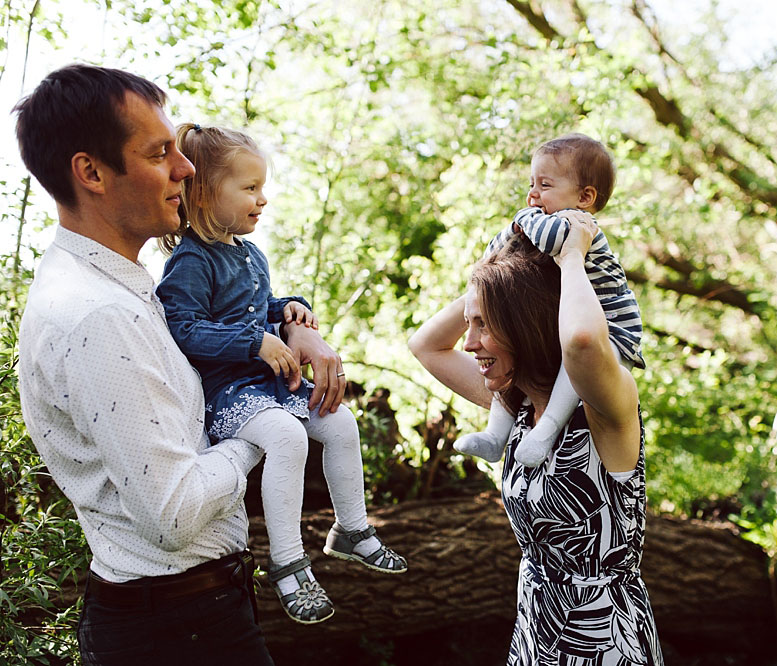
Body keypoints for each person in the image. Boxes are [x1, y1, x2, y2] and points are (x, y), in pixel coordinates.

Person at [12, 64, 319, 665]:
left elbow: (216, 341)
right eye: (160, 153)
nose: (186, 168)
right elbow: (174, 515)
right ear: (92, 172)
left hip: (186, 613)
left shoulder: (125, 288)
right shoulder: (97, 315)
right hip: (177, 628)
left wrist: (291, 325)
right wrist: (267, 430)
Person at [155, 124, 407, 624]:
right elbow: (182, 328)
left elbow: (255, 307)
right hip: (227, 394)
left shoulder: (250, 254)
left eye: (262, 187)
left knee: (340, 423)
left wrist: (290, 308)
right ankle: (288, 560)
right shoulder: (189, 260)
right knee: (289, 438)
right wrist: (254, 341)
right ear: (203, 192)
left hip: (269, 386)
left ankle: (351, 529)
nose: (262, 199)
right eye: (249, 188)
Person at [408, 225, 664, 664]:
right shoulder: (517, 402)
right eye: (470, 324)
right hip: (534, 631)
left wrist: (570, 261)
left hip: (602, 643)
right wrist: (496, 269)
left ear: (524, 324)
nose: (468, 343)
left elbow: (582, 341)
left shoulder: (602, 408)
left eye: (483, 325)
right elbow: (426, 345)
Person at [453, 133, 644, 468]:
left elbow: (550, 239)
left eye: (545, 184)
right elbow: (497, 251)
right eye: (531, 184)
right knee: (514, 362)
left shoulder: (578, 225)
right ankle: (496, 436)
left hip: (613, 331)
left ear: (585, 197)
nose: (533, 195)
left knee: (574, 366)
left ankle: (546, 431)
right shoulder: (545, 220)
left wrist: (522, 220)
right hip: (572, 329)